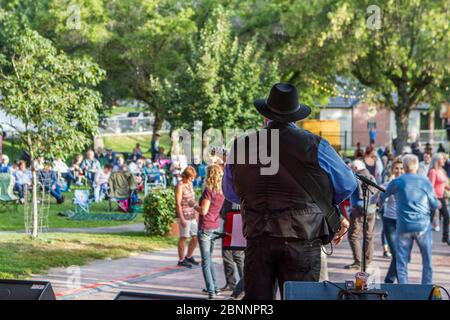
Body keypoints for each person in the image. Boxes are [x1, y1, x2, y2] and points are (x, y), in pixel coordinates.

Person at [223, 83, 356, 300]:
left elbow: (231, 192)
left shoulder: (240, 146)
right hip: (302, 238)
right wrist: (318, 201)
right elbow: (348, 184)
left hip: (258, 237)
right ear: (296, 116)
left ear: (266, 115)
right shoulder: (315, 145)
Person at [381, 154, 439, 284]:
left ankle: (404, 289)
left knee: (401, 262)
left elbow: (382, 197)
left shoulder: (397, 182)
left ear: (404, 166)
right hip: (422, 226)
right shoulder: (425, 181)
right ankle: (426, 288)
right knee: (427, 260)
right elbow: (434, 204)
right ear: (417, 166)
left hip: (404, 226)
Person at [193, 165, 225, 300]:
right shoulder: (222, 191)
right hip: (215, 226)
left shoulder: (208, 191)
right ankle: (215, 287)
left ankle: (211, 291)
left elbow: (204, 211)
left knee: (205, 261)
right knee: (209, 259)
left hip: (206, 226)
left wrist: (193, 205)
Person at [345, 159, 377, 270]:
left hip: (358, 209)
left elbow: (347, 191)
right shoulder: (371, 176)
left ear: (355, 168)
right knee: (368, 236)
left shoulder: (354, 177)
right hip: (371, 209)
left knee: (353, 236)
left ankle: (358, 262)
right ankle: (367, 261)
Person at [379, 158, 404, 283]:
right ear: (392, 170)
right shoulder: (387, 184)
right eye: (397, 168)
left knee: (399, 254)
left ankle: (389, 279)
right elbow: (377, 198)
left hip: (403, 222)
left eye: (401, 168)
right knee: (397, 253)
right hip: (390, 222)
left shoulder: (407, 184)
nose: (399, 171)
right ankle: (401, 282)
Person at [175, 166, 199, 268]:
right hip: (184, 215)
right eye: (190, 177)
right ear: (185, 176)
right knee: (183, 237)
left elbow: (192, 200)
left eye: (193, 177)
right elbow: (178, 204)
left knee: (195, 237)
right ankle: (181, 260)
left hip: (192, 215)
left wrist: (197, 212)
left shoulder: (190, 184)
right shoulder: (180, 186)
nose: (192, 179)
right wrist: (181, 218)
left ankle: (189, 256)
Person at [428, 153, 450, 245]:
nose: (444, 160)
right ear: (437, 161)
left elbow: (444, 184)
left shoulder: (442, 171)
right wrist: (435, 199)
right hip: (434, 198)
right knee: (429, 219)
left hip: (442, 198)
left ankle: (445, 237)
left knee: (446, 217)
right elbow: (430, 186)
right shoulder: (433, 171)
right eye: (442, 159)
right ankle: (426, 237)